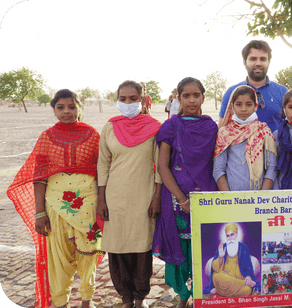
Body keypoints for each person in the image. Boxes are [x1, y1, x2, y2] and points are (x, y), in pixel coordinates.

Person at [7, 89, 103, 308]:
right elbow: (39, 179)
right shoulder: (46, 138)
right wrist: (39, 213)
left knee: (88, 255)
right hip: (55, 209)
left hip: (89, 207)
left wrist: (103, 204)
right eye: (60, 107)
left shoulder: (93, 135)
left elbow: (102, 173)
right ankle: (61, 302)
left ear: (80, 107)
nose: (67, 112)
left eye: (71, 106)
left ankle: (87, 301)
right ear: (54, 110)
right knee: (57, 258)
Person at [152, 77, 218, 308]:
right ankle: (182, 295)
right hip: (175, 197)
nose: (191, 100)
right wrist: (181, 198)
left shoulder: (211, 126)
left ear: (203, 97)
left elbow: (215, 163)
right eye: (186, 96)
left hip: (207, 197)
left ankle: (202, 295)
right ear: (178, 98)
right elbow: (162, 166)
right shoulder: (170, 125)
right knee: (180, 247)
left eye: (196, 95)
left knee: (205, 247)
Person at [97, 80, 162, 308]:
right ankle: (125, 296)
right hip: (115, 197)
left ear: (142, 100)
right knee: (117, 247)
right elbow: (103, 165)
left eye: (133, 99)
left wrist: (156, 197)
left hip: (144, 196)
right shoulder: (109, 127)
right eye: (123, 99)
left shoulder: (155, 127)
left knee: (141, 247)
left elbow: (160, 165)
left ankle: (140, 296)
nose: (127, 103)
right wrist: (101, 199)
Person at [214, 85, 277, 191]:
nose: (243, 109)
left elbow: (272, 167)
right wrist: (229, 199)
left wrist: (261, 197)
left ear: (255, 106)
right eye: (238, 104)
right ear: (232, 106)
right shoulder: (225, 133)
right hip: (232, 200)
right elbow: (218, 170)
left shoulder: (263, 131)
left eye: (248, 104)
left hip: (259, 200)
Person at [218, 40, 288, 132]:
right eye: (253, 59)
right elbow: (222, 129)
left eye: (262, 59)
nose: (258, 63)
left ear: (269, 62)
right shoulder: (232, 92)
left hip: (274, 146)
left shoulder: (282, 92)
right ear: (244, 62)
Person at [205, 223, 257, 297]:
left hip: (239, 277)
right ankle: (243, 283)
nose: (230, 238)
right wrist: (220, 257)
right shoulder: (222, 247)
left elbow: (249, 267)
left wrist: (248, 277)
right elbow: (215, 269)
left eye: (232, 234)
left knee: (247, 290)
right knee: (217, 276)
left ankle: (221, 290)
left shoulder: (243, 248)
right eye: (228, 236)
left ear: (237, 234)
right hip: (224, 277)